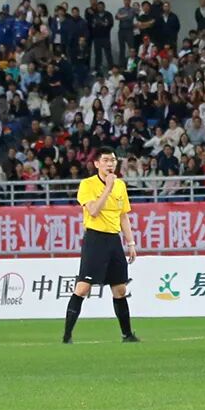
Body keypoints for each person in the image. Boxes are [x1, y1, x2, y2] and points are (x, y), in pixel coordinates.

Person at [63, 147, 139, 344]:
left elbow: (123, 216)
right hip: (95, 239)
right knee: (82, 287)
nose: (110, 164)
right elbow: (94, 211)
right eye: (105, 160)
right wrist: (108, 188)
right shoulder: (87, 184)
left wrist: (131, 243)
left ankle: (127, 335)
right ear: (97, 164)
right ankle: (67, 335)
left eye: (112, 160)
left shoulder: (120, 185)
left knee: (120, 289)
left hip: (114, 239)